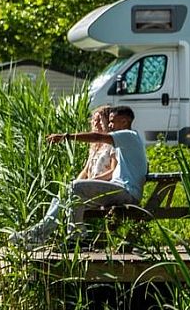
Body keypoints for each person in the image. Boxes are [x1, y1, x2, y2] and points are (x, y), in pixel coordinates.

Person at [11, 104, 148, 245]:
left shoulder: (128, 136)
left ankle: (74, 235)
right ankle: (39, 233)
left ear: (124, 122)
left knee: (76, 187)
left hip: (126, 192)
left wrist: (66, 137)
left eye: (113, 121)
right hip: (119, 190)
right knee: (64, 195)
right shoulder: (125, 142)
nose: (110, 125)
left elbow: (96, 137)